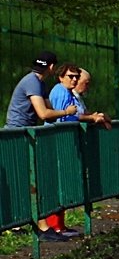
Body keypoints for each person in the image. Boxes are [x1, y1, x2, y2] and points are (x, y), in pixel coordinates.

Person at [7, 52, 82, 240]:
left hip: (24, 133)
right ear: (51, 67)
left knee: (28, 179)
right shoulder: (33, 82)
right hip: (17, 134)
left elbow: (49, 108)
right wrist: (66, 111)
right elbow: (43, 113)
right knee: (31, 180)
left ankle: (24, 224)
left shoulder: (38, 83)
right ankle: (41, 227)